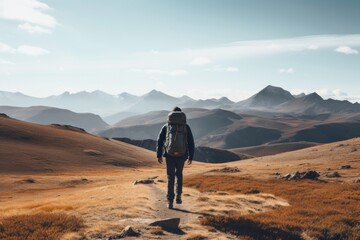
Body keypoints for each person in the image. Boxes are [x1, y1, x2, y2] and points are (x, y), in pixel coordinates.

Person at [156, 107, 195, 209]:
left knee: (170, 177)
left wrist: (159, 154)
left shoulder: (167, 126)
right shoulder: (186, 127)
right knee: (179, 175)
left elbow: (160, 141)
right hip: (182, 155)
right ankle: (178, 195)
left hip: (169, 155)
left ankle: (170, 201)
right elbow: (191, 142)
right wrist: (191, 156)